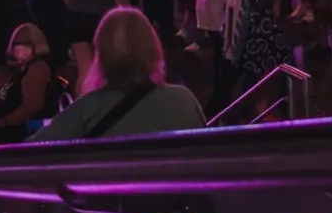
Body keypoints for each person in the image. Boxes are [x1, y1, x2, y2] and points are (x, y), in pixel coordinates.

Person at [30, 8, 204, 140]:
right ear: (153, 50)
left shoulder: (86, 111)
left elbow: (27, 152)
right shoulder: (184, 101)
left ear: (101, 55)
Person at [0, 24, 63, 144]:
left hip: (23, 132)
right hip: (9, 127)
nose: (18, 48)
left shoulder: (37, 68)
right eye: (16, 43)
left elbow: (31, 108)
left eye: (25, 43)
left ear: (35, 45)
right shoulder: (21, 68)